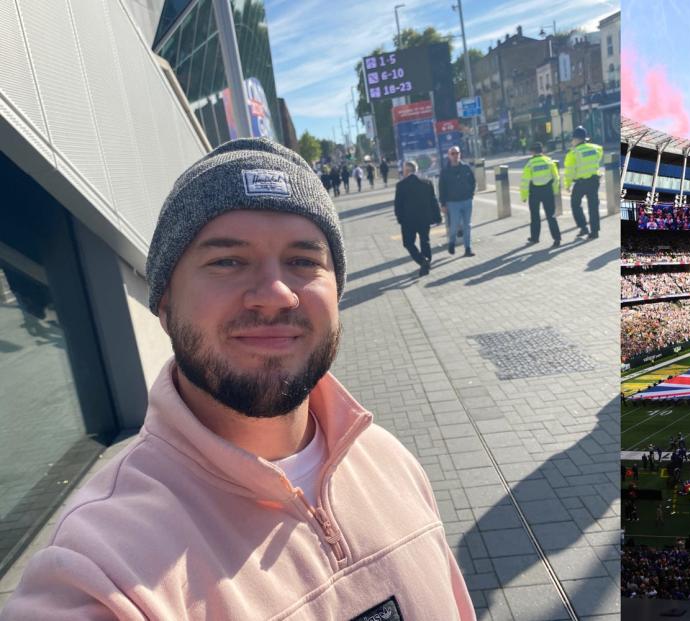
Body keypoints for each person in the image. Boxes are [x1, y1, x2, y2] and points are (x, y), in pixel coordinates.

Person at [0, 138, 474, 619]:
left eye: (304, 261)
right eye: (227, 261)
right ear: (164, 303)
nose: (274, 294)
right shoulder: (102, 567)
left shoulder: (390, 461)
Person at [394, 160, 442, 276]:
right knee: (425, 241)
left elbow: (398, 205)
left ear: (407, 171)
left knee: (408, 243)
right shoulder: (427, 183)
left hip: (408, 221)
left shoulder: (401, 185)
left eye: (404, 170)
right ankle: (427, 260)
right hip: (424, 219)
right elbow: (433, 201)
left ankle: (422, 261)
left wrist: (400, 219)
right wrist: (437, 217)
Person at [563, 126, 603, 239]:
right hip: (594, 181)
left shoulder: (573, 153)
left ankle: (583, 227)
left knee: (575, 204)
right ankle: (594, 232)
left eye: (572, 139)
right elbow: (598, 158)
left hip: (581, 183)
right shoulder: (596, 148)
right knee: (593, 207)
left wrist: (567, 185)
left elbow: (569, 171)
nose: (572, 141)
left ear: (576, 139)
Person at [520, 142, 562, 247]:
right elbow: (556, 178)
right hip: (547, 191)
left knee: (535, 216)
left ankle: (535, 238)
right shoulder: (549, 161)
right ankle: (557, 238)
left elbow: (525, 181)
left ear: (532, 152)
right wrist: (555, 191)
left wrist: (524, 196)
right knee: (551, 216)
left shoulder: (530, 164)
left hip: (534, 192)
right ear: (542, 151)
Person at [438, 146, 477, 257]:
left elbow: (473, 181)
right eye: (453, 153)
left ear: (460, 154)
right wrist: (443, 204)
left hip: (466, 201)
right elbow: (442, 188)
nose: (455, 155)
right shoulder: (445, 171)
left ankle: (468, 248)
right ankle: (452, 242)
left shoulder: (466, 167)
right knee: (454, 225)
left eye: (457, 153)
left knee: (467, 225)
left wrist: (471, 194)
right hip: (452, 202)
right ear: (449, 156)